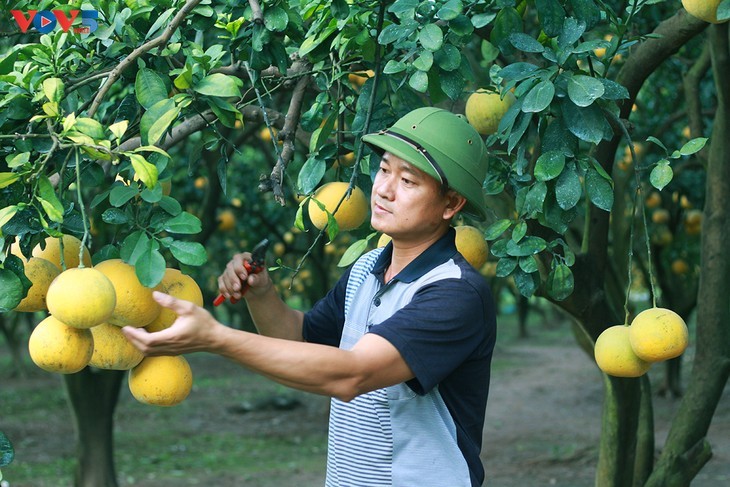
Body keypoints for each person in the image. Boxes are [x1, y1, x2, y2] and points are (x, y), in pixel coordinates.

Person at [122, 107, 497, 487]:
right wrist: (262, 294)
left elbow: (354, 374)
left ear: (451, 204)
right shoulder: (367, 268)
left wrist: (216, 339)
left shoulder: (455, 293)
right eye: (384, 170)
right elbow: (302, 340)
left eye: (408, 181)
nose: (384, 189)